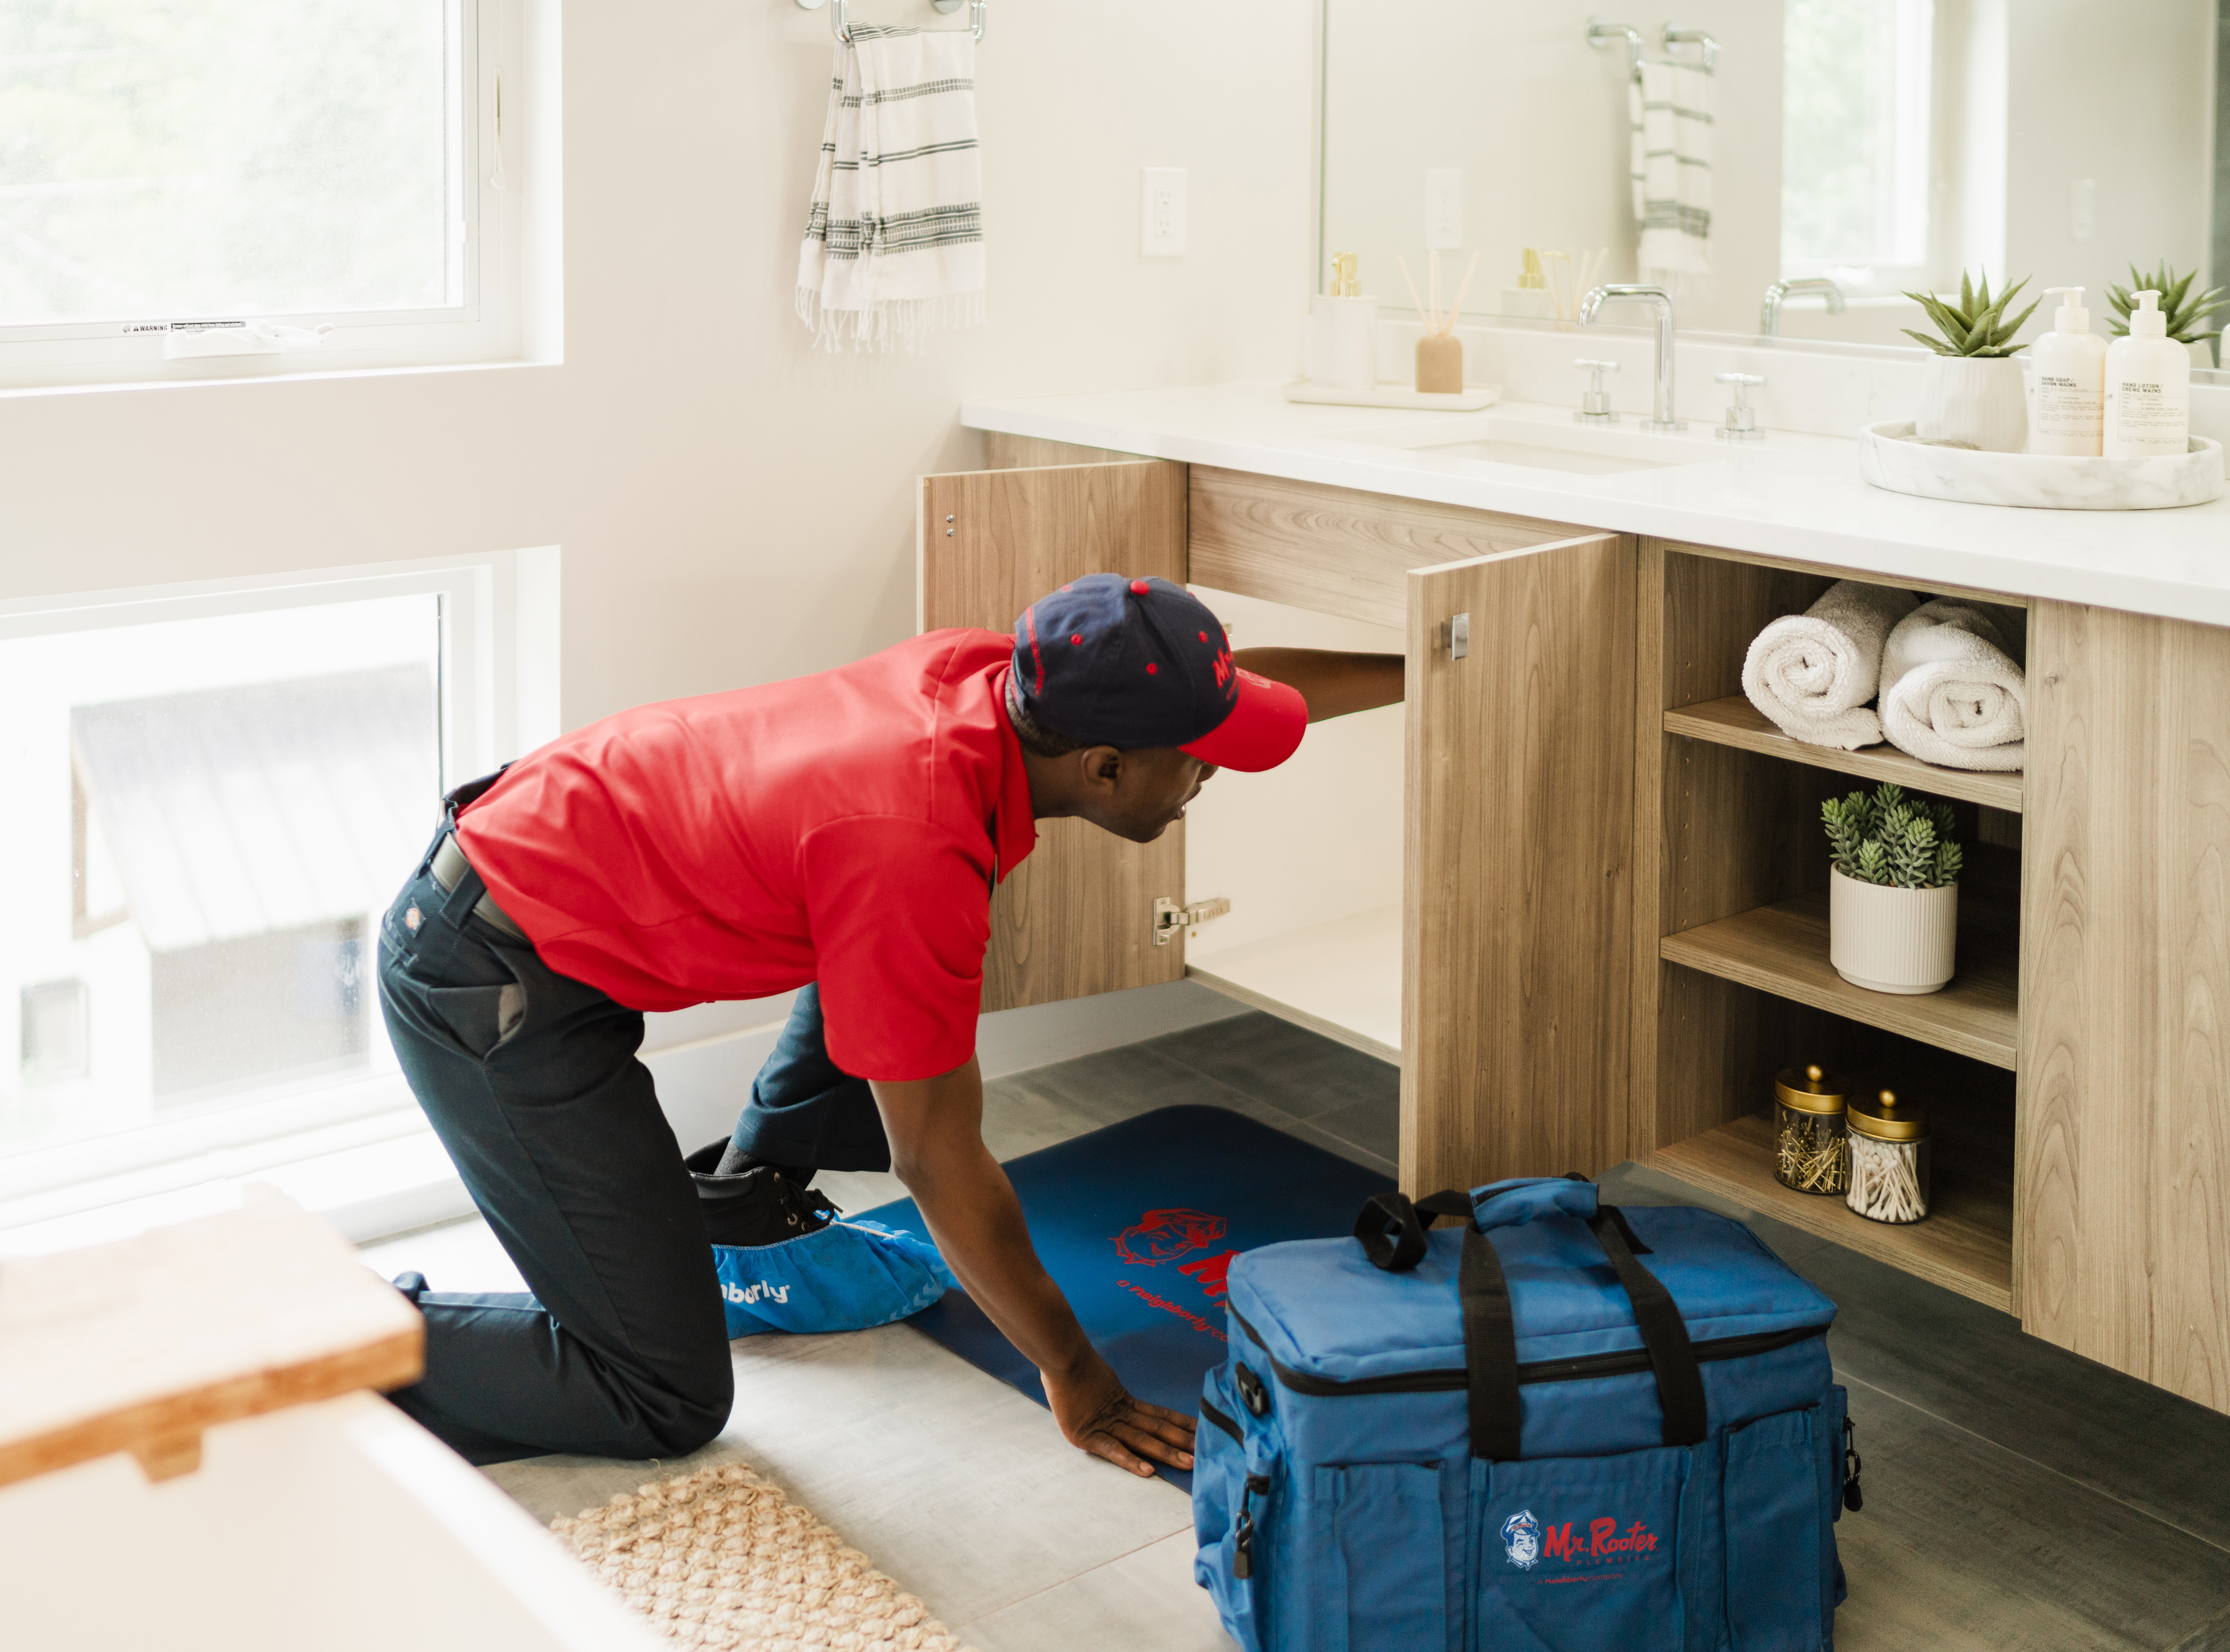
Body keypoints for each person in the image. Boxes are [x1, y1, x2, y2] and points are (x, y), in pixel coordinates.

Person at [375, 573, 1402, 1474]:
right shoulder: (914, 847)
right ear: (1102, 768)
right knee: (664, 1392)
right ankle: (325, 1342)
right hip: (490, 983)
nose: (1208, 777)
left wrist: (1438, 663)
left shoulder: (996, 676)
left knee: (889, 972)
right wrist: (1081, 1378)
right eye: (1198, 762)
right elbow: (941, 1162)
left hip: (529, 906)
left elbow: (1225, 690)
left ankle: (749, 1198)